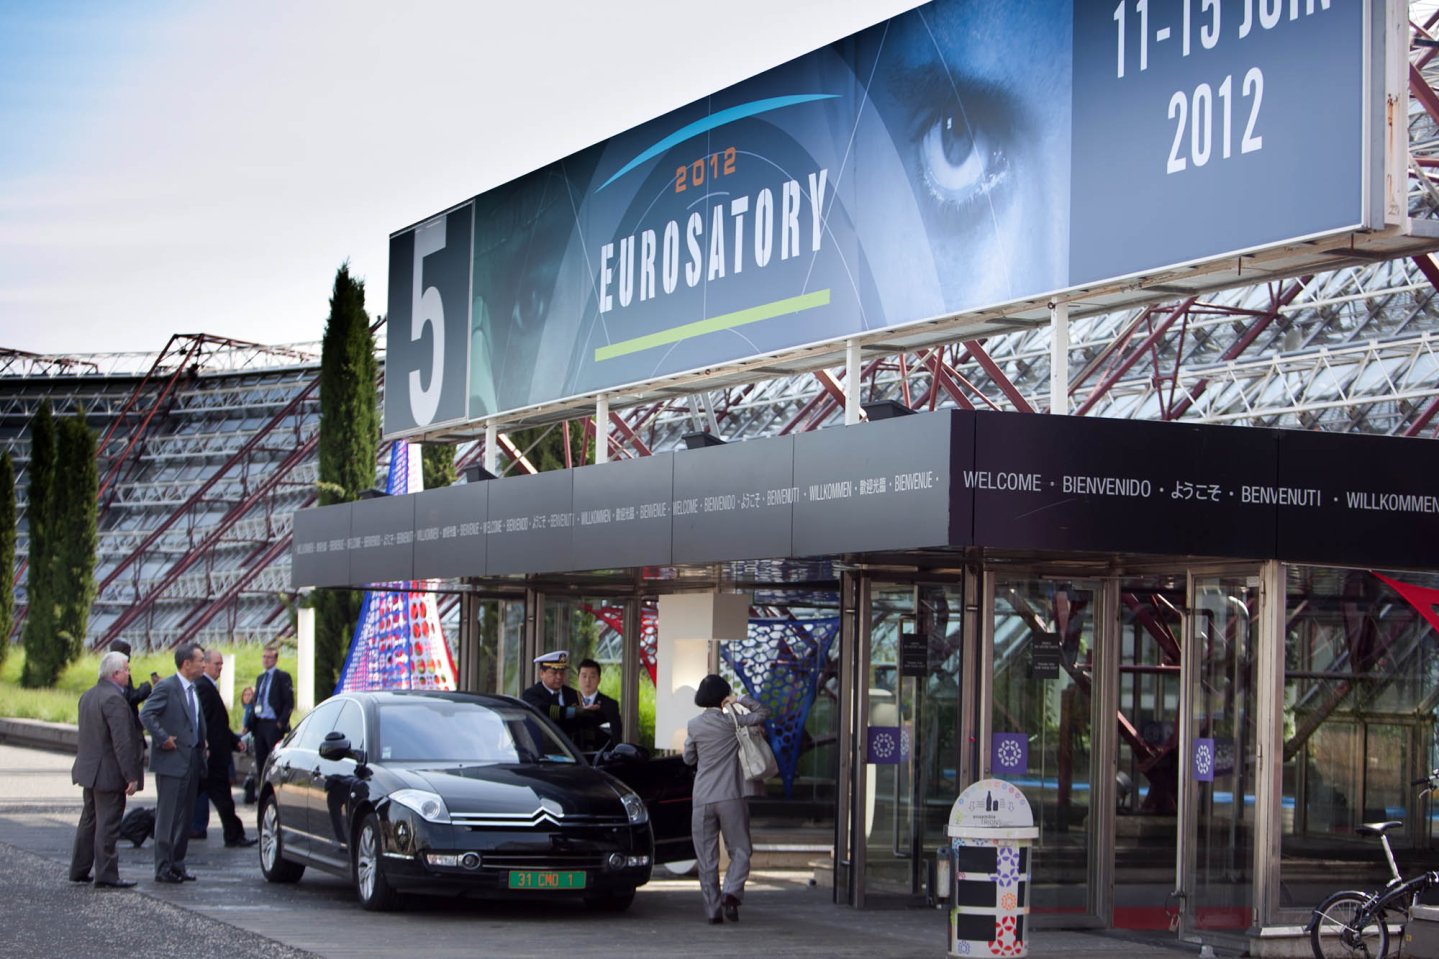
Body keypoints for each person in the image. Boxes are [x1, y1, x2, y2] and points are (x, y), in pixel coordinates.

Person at [683, 674, 769, 924]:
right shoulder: (734, 721)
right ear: (724, 696)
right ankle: (731, 891)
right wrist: (739, 699)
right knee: (741, 849)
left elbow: (689, 758)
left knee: (706, 857)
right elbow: (763, 713)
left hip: (702, 798)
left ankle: (713, 912)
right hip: (731, 795)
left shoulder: (694, 725)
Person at [69, 650, 144, 888]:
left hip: (89, 770)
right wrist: (130, 775)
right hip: (108, 773)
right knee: (108, 824)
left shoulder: (89, 695)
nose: (129, 674)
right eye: (127, 670)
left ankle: (79, 869)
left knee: (89, 820)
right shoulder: (114, 700)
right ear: (115, 674)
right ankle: (107, 874)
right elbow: (122, 742)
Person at [140, 642, 207, 883]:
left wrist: (202, 742)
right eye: (200, 660)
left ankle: (177, 863)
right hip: (172, 761)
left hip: (191, 759)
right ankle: (163, 867)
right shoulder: (167, 687)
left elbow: (194, 720)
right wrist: (163, 738)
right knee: (167, 817)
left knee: (185, 817)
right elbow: (146, 713)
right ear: (186, 663)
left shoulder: (193, 688)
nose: (204, 664)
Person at [193, 649, 256, 847]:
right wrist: (206, 745)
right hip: (212, 758)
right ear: (205, 664)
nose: (220, 667)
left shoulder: (207, 686)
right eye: (217, 664)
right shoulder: (203, 687)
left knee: (217, 799)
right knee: (222, 800)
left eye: (221, 664)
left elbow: (217, 723)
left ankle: (234, 835)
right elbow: (204, 722)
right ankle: (234, 835)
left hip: (214, 756)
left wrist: (234, 741)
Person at [520, 650, 585, 742]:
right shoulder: (530, 694)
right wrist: (571, 711)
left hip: (569, 747)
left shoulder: (573, 694)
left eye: (562, 673)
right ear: (542, 673)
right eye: (554, 673)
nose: (559, 677)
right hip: (543, 746)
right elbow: (545, 711)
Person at [250, 645, 294, 781]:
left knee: (273, 758)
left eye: (269, 657)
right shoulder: (261, 678)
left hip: (273, 724)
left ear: (275, 659)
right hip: (260, 723)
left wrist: (281, 722)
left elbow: (289, 702)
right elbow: (256, 700)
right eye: (264, 657)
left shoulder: (282, 676)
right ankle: (262, 785)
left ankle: (273, 784)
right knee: (261, 759)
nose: (266, 660)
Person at [573, 658, 622, 752]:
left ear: (599, 679)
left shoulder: (610, 705)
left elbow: (616, 737)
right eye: (584, 676)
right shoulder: (570, 702)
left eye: (592, 676)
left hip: (600, 756)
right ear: (578, 678)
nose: (587, 680)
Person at [107, 639, 151, 723]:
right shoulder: (117, 674)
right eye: (127, 654)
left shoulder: (117, 671)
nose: (129, 658)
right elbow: (129, 698)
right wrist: (143, 690)